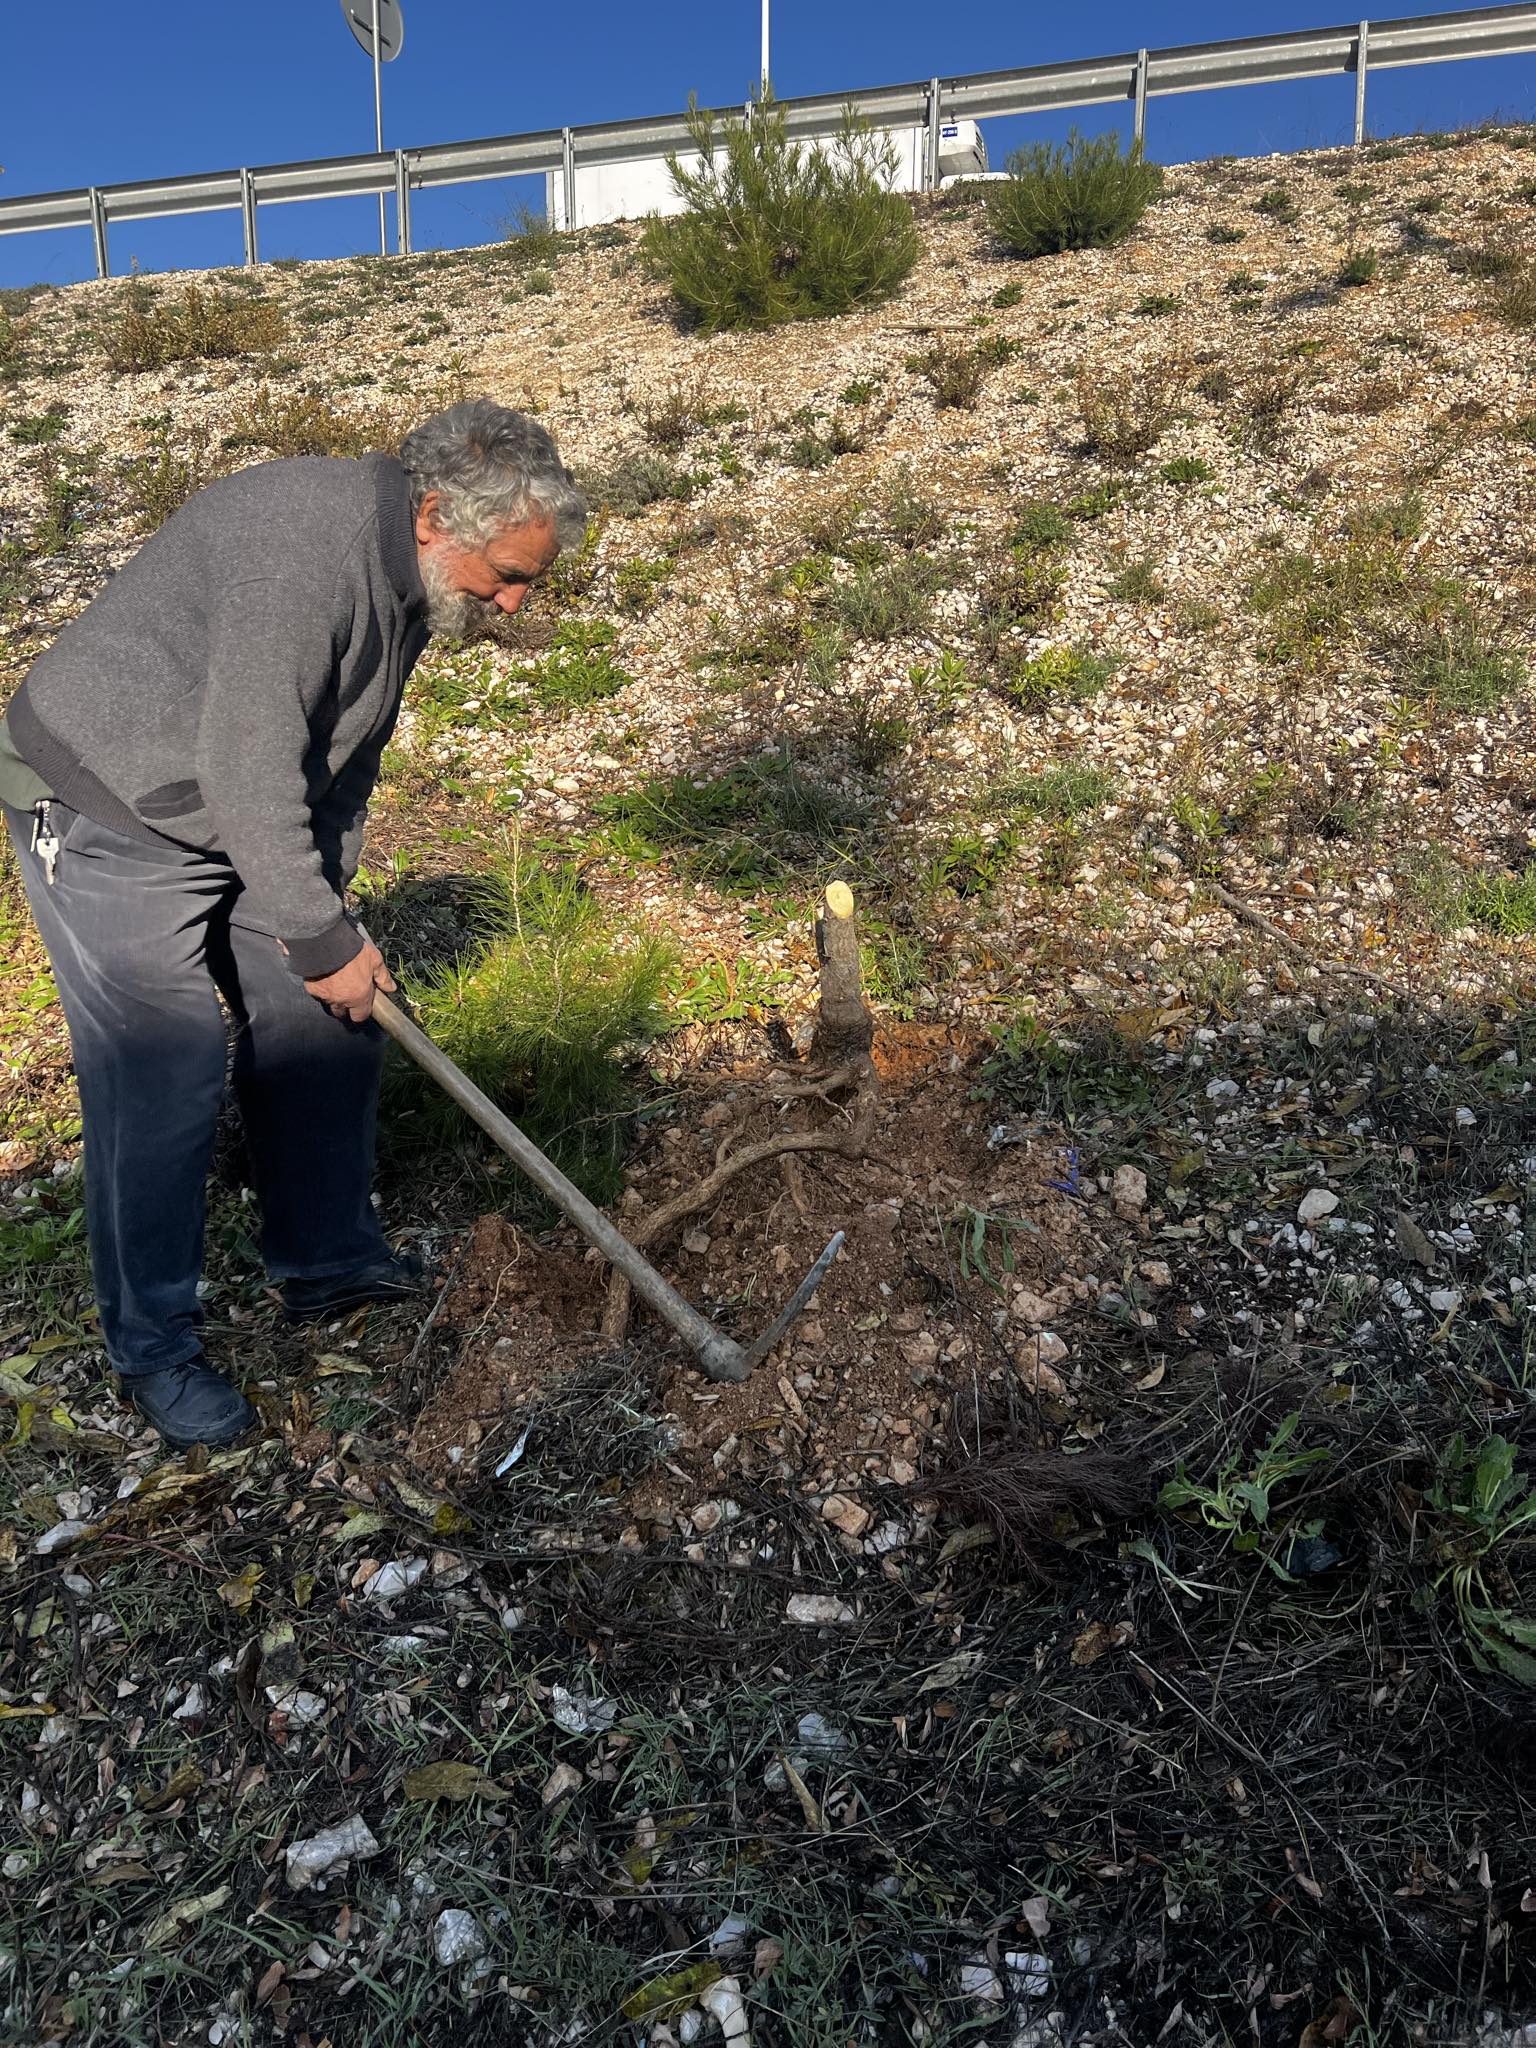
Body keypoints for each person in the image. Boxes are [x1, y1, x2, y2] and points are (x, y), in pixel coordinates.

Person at [0, 398, 586, 1450]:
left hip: (224, 801)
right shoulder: (300, 556)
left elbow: (339, 759)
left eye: (526, 583)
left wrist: (327, 922)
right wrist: (314, 935)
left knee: (330, 1017)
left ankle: (326, 1260)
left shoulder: (414, 577)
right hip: (104, 802)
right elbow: (249, 762)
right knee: (164, 1064)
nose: (510, 602)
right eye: (506, 573)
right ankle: (155, 1349)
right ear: (436, 513)